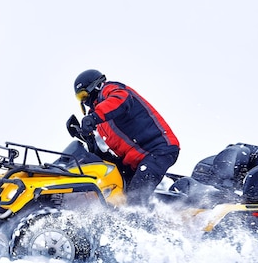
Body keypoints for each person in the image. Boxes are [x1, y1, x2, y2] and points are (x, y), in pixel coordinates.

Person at [73, 69, 180, 206]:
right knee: (119, 195)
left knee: (135, 199)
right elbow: (114, 148)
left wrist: (93, 118)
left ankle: (139, 224)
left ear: (95, 86)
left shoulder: (110, 90)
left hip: (158, 149)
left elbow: (121, 99)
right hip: (137, 160)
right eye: (80, 98)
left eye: (84, 95)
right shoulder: (102, 122)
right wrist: (89, 141)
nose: (84, 101)